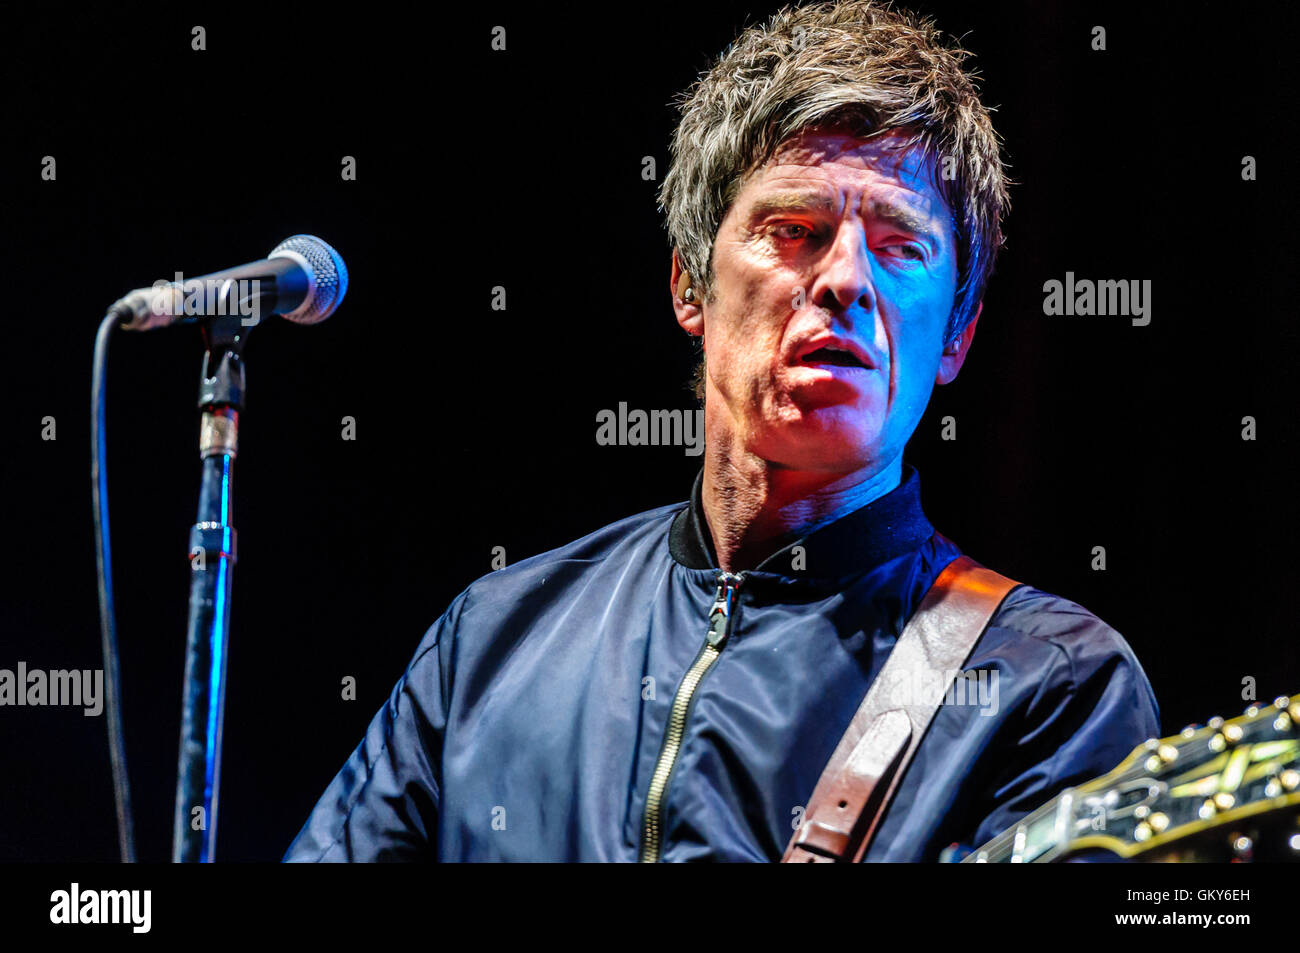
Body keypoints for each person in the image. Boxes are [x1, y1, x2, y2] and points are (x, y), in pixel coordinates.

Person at [284, 0, 1159, 863]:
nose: (846, 279)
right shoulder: (492, 638)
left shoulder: (1049, 683)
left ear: (957, 335)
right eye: (796, 230)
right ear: (690, 287)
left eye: (901, 246)